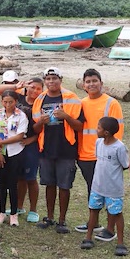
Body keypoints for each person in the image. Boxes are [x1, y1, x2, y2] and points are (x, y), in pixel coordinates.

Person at [32, 67, 83, 234]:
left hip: (66, 149)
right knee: (49, 184)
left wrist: (66, 116)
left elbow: (80, 126)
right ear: (44, 81)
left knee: (64, 185)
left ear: (61, 80)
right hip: (46, 148)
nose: (51, 81)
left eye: (54, 78)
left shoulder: (71, 98)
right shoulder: (40, 99)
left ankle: (62, 220)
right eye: (48, 78)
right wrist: (41, 122)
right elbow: (35, 129)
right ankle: (49, 217)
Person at [75, 68, 125, 238]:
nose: (91, 84)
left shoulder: (112, 103)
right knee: (93, 190)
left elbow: (118, 131)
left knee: (110, 193)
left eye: (94, 81)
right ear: (83, 85)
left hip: (105, 157)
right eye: (88, 82)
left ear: (101, 83)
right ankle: (94, 223)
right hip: (85, 155)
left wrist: (111, 154)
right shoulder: (81, 103)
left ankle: (110, 230)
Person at [80, 117, 130, 255]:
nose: (97, 130)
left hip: (113, 188)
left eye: (99, 128)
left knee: (116, 213)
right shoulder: (98, 143)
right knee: (93, 210)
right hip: (97, 186)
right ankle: (88, 237)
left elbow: (125, 165)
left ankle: (120, 243)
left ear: (106, 132)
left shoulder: (119, 147)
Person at [0, 91, 29, 226]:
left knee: (13, 184)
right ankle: (1, 212)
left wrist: (0, 143)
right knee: (2, 183)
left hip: (15, 153)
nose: (8, 105)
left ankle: (13, 214)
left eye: (10, 102)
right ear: (2, 102)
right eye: (5, 102)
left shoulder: (21, 116)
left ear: (16, 102)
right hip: (1, 154)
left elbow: (19, 136)